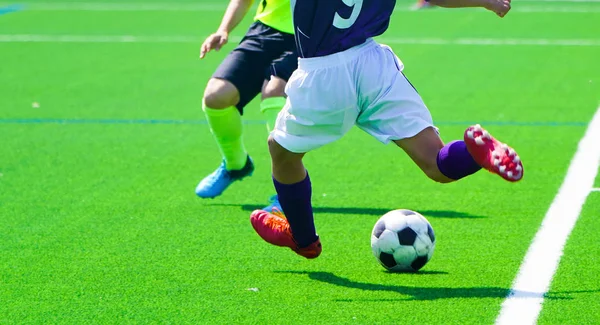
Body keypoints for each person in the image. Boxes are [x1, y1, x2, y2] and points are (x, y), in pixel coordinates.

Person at [249, 0, 521, 259]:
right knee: (435, 163)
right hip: (373, 66)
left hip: (323, 74)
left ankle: (303, 239)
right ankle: (475, 154)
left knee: (282, 152)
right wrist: (486, 2)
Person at [195, 0, 296, 212]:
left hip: (310, 37)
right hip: (265, 30)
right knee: (216, 96)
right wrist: (223, 29)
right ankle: (235, 164)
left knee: (274, 92)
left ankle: (288, 194)